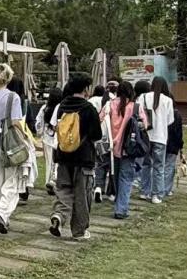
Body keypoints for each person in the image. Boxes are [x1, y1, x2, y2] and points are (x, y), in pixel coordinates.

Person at [48, 74, 101, 241]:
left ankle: (59, 215)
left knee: (64, 190)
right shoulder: (88, 108)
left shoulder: (62, 106)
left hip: (63, 156)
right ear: (86, 89)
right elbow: (97, 135)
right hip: (83, 157)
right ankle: (79, 231)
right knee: (82, 195)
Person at [0, 63, 28, 233]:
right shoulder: (12, 97)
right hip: (9, 146)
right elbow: (15, 122)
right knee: (13, 182)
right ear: (9, 77)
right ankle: (1, 212)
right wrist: (25, 136)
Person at [105, 82, 148, 220]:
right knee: (126, 178)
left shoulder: (110, 105)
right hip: (129, 148)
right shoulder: (135, 107)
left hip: (112, 147)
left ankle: (118, 203)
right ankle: (121, 208)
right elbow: (145, 124)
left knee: (116, 176)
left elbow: (100, 119)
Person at [142, 77, 173, 204]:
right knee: (159, 167)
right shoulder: (168, 100)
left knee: (146, 164)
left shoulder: (144, 97)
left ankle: (145, 191)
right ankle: (156, 194)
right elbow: (170, 120)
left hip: (146, 136)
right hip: (160, 136)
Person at [39, 86, 63, 195]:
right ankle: (54, 181)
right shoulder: (61, 108)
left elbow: (39, 122)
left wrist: (40, 133)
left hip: (47, 138)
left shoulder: (45, 108)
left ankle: (48, 181)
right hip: (58, 138)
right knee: (57, 162)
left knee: (49, 161)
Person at [163, 105, 184, 198]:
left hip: (160, 141)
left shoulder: (160, 112)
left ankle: (157, 188)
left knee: (158, 166)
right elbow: (179, 132)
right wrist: (180, 145)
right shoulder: (176, 114)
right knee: (169, 167)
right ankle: (166, 189)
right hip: (173, 144)